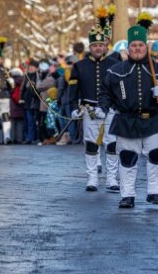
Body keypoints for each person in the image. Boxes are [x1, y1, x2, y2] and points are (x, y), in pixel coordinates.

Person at [99, 14, 158, 209]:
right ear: (128, 48)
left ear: (146, 47)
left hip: (154, 119)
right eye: (134, 46)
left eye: (140, 45)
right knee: (127, 158)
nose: (137, 49)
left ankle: (155, 192)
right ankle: (127, 195)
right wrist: (102, 108)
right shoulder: (115, 71)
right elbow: (105, 93)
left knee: (157, 155)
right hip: (126, 120)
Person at [69, 24, 120, 192]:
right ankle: (92, 178)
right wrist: (73, 107)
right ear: (90, 47)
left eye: (101, 45)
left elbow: (119, 90)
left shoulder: (115, 64)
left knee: (111, 145)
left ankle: (112, 178)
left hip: (110, 110)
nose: (98, 48)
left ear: (105, 46)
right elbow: (73, 90)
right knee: (91, 145)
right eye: (95, 45)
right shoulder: (80, 66)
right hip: (89, 110)